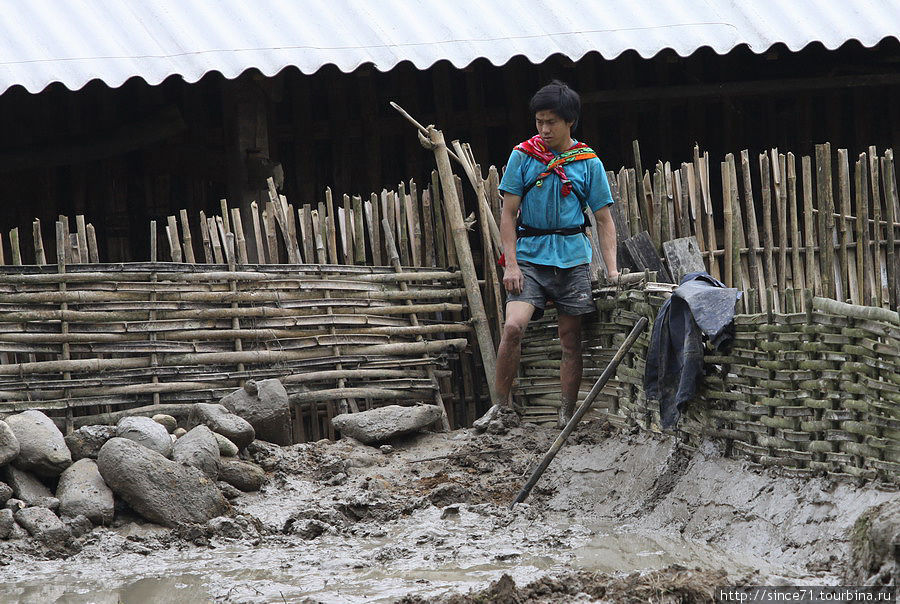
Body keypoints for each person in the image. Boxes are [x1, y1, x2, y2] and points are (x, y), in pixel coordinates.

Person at [494, 80, 618, 428]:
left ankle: (566, 414)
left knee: (570, 339)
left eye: (551, 122)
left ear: (570, 122)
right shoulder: (522, 156)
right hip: (530, 257)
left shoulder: (587, 162)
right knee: (513, 328)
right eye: (539, 121)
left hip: (573, 258)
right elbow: (508, 214)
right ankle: (501, 409)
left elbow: (604, 219)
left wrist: (612, 271)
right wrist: (512, 265)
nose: (544, 129)